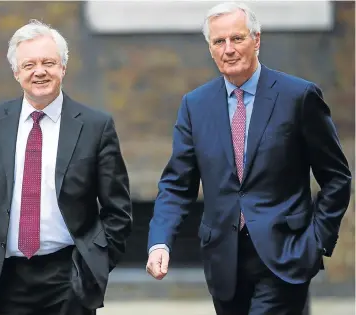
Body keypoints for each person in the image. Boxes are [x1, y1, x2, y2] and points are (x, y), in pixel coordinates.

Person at [146, 2, 352, 315]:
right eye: (219, 41)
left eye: (237, 38)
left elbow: (336, 177)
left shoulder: (298, 96)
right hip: (223, 260)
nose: (228, 49)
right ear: (210, 48)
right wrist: (160, 241)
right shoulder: (195, 105)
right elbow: (176, 184)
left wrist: (317, 241)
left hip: (287, 254)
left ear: (256, 40)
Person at [0, 19, 132, 315]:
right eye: (29, 64)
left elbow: (118, 211)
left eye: (49, 62)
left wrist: (93, 265)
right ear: (16, 72)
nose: (40, 71)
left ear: (63, 67)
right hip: (5, 279)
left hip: (69, 278)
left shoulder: (96, 126)